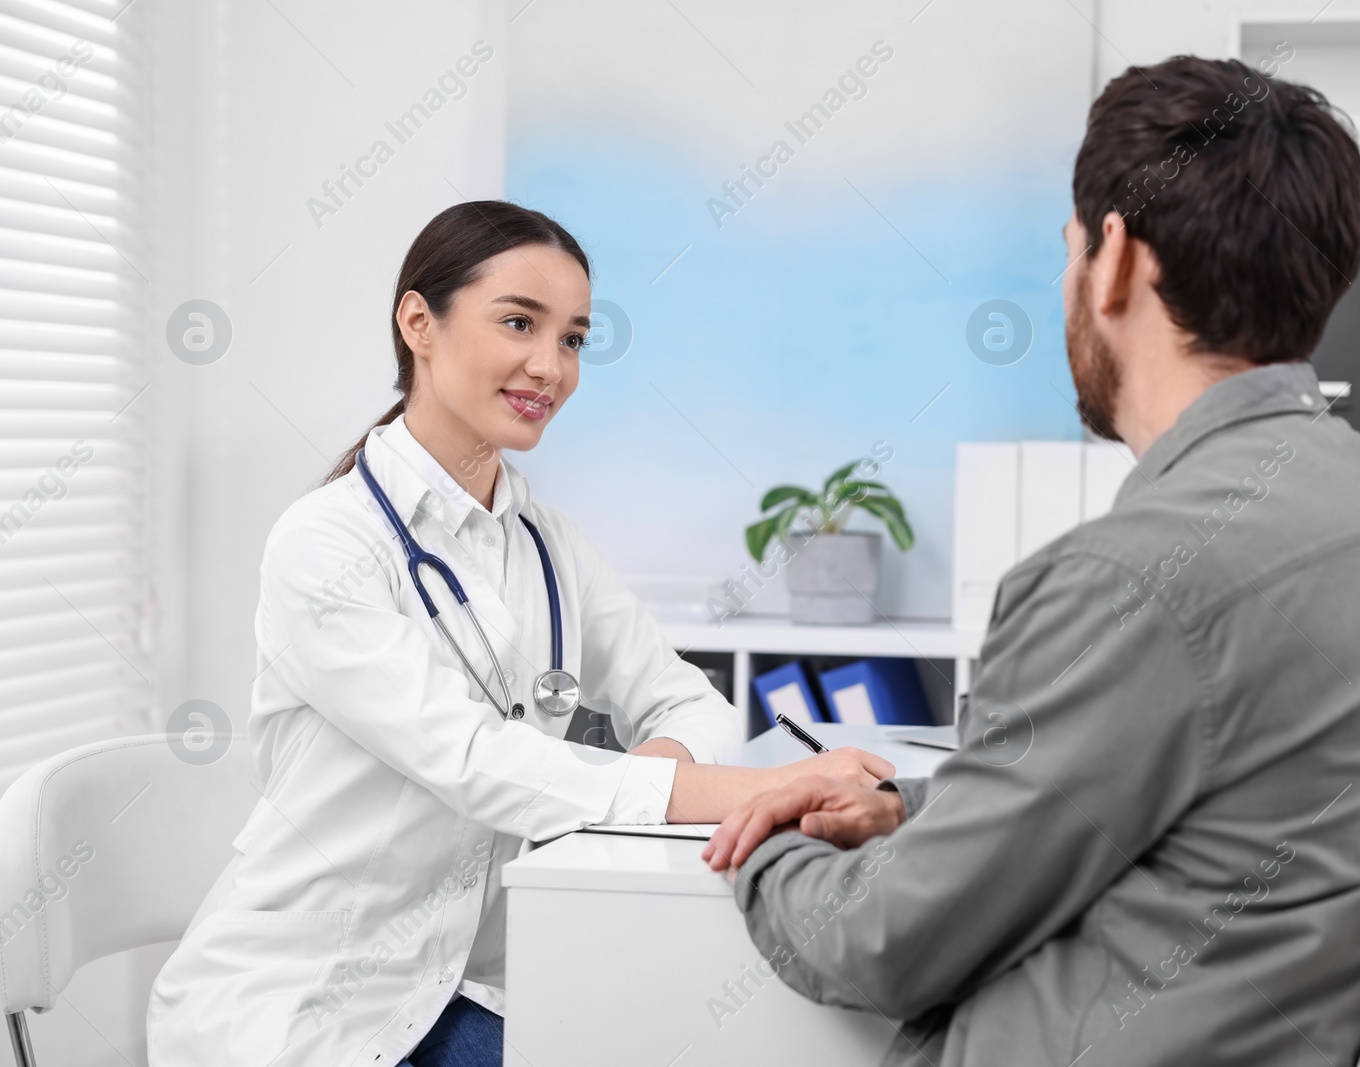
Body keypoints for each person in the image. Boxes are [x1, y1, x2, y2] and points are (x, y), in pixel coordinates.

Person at [705, 55, 1360, 1066]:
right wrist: (906, 809)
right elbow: (1182, 810)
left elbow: (881, 942)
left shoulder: (1137, 578)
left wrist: (764, 846)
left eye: (1066, 252)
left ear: (1112, 258)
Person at [145, 201, 891, 1067]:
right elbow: (475, 759)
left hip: (466, 985)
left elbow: (686, 694)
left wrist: (667, 766)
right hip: (311, 1004)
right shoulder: (327, 544)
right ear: (418, 322)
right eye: (518, 322)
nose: (551, 365)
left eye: (573, 337)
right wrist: (763, 787)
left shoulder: (544, 544)